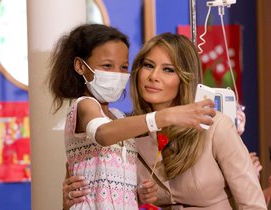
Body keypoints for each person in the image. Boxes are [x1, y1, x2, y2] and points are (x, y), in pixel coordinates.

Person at [62, 32, 267, 209]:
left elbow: (252, 204)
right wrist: (70, 200)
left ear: (184, 78)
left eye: (168, 69)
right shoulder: (126, 129)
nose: (153, 76)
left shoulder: (215, 126)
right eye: (148, 66)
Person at [49, 24, 216, 210]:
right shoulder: (84, 105)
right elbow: (102, 133)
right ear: (80, 66)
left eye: (123, 67)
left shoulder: (120, 118)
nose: (117, 74)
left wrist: (140, 194)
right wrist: (164, 116)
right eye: (107, 66)